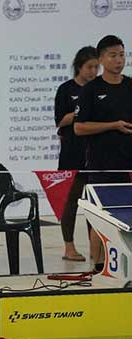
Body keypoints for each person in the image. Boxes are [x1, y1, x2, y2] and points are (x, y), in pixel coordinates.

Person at [74, 35, 132, 272]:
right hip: (102, 164)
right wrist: (112, 125)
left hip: (129, 163)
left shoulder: (130, 86)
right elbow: (78, 128)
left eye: (122, 55)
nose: (119, 60)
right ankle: (97, 264)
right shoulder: (91, 90)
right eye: (113, 55)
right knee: (100, 215)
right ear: (101, 59)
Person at [54, 46, 99, 263]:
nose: (93, 72)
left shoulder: (98, 89)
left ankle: (96, 247)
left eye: (96, 67)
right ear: (79, 66)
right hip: (72, 153)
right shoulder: (65, 89)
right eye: (89, 67)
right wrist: (79, 113)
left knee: (95, 202)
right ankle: (69, 247)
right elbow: (59, 121)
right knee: (71, 201)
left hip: (95, 153)